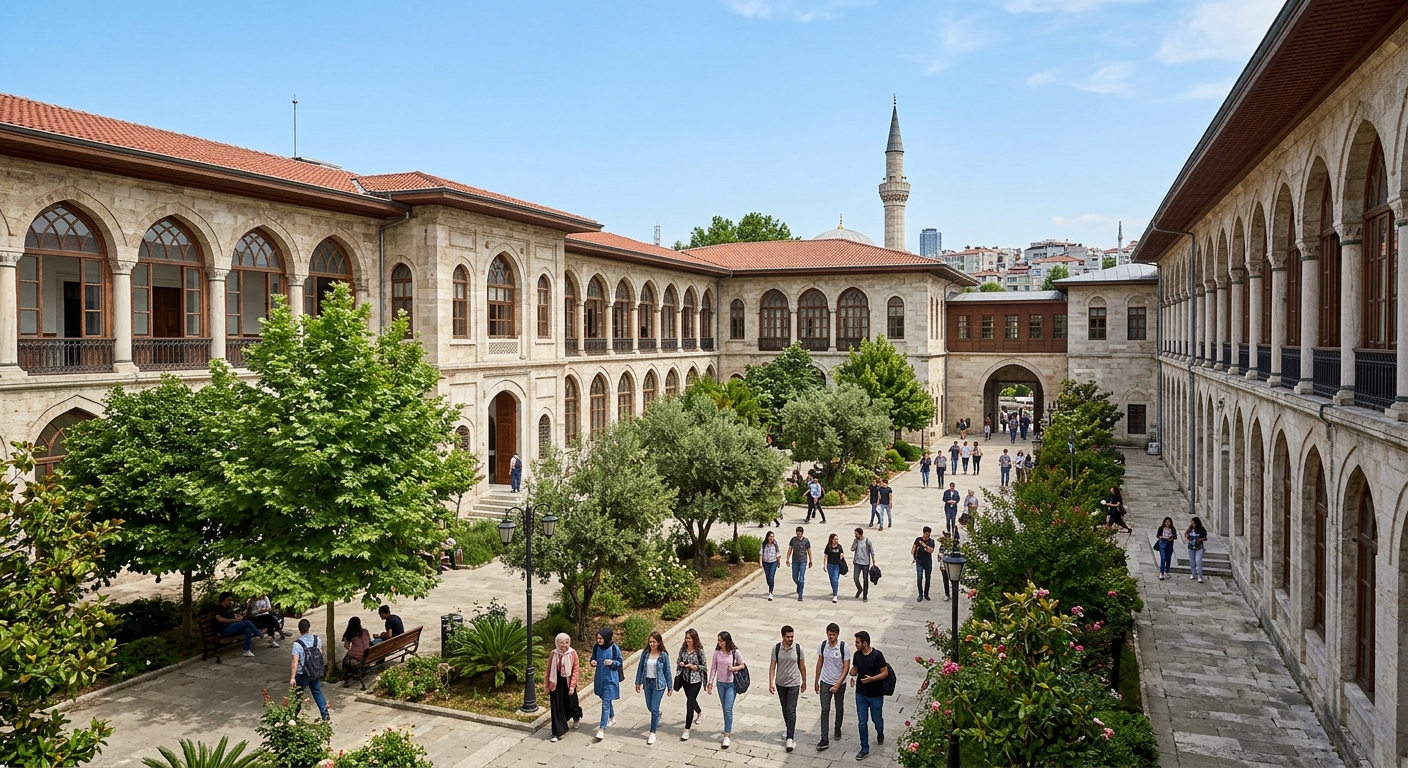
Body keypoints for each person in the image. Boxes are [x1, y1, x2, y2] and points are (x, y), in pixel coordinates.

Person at [850, 630, 889, 760]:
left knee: (876, 720)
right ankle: (864, 748)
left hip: (875, 695)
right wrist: (852, 673)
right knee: (862, 722)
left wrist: (872, 679)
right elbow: (855, 668)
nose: (856, 644)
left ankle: (880, 732)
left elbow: (885, 673)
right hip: (861, 694)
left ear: (865, 643)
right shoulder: (857, 655)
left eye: (858, 642)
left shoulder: (877, 655)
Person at [769, 625, 808, 752]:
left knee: (791, 709)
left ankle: (790, 737)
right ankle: (788, 728)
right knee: (785, 709)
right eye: (788, 637)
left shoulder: (798, 648)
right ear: (783, 636)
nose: (790, 639)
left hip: (794, 683)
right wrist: (771, 682)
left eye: (792, 636)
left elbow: (802, 666)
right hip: (781, 683)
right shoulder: (776, 648)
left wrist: (804, 681)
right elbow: (772, 666)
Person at [814, 622, 851, 752]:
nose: (831, 637)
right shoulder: (823, 645)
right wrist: (816, 680)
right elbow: (820, 662)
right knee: (825, 710)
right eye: (829, 634)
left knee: (839, 706)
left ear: (838, 634)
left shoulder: (843, 647)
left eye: (833, 635)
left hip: (839, 682)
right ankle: (824, 738)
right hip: (825, 681)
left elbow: (846, 667)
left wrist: (838, 683)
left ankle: (837, 727)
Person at [707, 631, 746, 749]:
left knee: (728, 708)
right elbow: (714, 667)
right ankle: (726, 727)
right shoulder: (717, 653)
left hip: (731, 684)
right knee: (724, 708)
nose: (720, 643)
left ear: (727, 641)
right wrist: (710, 682)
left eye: (722, 641)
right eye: (718, 640)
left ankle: (727, 735)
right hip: (720, 684)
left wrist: (734, 668)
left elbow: (743, 664)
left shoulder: (735, 652)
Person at [634, 631, 674, 745]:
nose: (652, 644)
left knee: (654, 707)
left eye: (654, 642)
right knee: (650, 707)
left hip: (659, 684)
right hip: (647, 683)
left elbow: (667, 671)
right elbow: (640, 668)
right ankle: (657, 714)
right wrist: (638, 682)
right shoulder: (645, 653)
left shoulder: (663, 655)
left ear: (659, 642)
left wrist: (670, 686)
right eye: (650, 642)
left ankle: (652, 732)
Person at [289, 618, 330, 722]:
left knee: (298, 695)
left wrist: (293, 677)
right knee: (317, 692)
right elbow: (320, 653)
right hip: (315, 672)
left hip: (303, 674)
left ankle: (293, 716)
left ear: (299, 630)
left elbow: (295, 661)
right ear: (308, 628)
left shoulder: (297, 644)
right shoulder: (317, 639)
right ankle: (325, 714)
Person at [547, 632, 583, 741]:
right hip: (556, 681)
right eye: (562, 643)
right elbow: (548, 670)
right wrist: (547, 685)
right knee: (557, 706)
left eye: (567, 643)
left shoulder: (572, 653)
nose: (565, 645)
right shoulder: (553, 654)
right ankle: (557, 732)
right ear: (557, 643)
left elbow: (576, 670)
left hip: (568, 680)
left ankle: (576, 717)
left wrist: (572, 686)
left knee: (572, 704)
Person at [589, 627, 623, 740]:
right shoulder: (596, 647)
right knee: (605, 699)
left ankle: (601, 728)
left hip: (610, 679)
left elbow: (619, 661)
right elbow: (593, 658)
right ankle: (612, 717)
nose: (599, 640)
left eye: (601, 638)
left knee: (605, 703)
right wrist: (592, 662)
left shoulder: (614, 648)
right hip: (600, 678)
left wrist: (612, 662)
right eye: (598, 638)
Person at [676, 628, 707, 741]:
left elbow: (704, 667)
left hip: (695, 681)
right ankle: (699, 712)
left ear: (694, 639)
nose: (687, 640)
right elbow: (678, 660)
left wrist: (695, 667)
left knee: (689, 702)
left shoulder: (699, 651)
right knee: (691, 700)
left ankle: (686, 729)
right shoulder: (683, 648)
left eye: (689, 638)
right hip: (685, 679)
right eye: (686, 638)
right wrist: (682, 664)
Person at [213, 591, 260, 657]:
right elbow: (220, 619)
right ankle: (258, 633)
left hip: (232, 626)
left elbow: (232, 616)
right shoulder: (218, 609)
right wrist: (234, 620)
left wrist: (238, 617)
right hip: (225, 629)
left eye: (230, 600)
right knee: (247, 622)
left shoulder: (229, 608)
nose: (229, 602)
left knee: (247, 630)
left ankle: (246, 650)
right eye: (228, 600)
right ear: (223, 600)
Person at [850, 528, 876, 601]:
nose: (855, 535)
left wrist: (873, 561)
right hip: (857, 562)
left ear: (860, 534)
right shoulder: (855, 541)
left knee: (865, 579)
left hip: (865, 563)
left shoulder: (867, 541)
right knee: (855, 578)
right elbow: (852, 549)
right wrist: (855, 544)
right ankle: (859, 589)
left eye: (856, 534)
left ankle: (865, 595)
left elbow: (872, 551)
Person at [787, 526, 812, 601]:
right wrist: (787, 559)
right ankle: (799, 586)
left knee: (801, 578)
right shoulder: (793, 540)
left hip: (803, 561)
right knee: (794, 577)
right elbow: (790, 549)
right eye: (797, 533)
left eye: (800, 534)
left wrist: (811, 560)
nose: (798, 535)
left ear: (802, 533)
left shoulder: (806, 541)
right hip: (795, 561)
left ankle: (800, 594)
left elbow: (809, 550)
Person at [912, 526, 936, 602]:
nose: (927, 536)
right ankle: (920, 594)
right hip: (919, 561)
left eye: (928, 534)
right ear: (923, 533)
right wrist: (914, 556)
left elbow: (931, 551)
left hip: (928, 562)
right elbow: (913, 550)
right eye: (926, 534)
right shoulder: (918, 540)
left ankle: (926, 593)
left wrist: (925, 546)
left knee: (928, 578)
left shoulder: (931, 541)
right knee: (919, 578)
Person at [823, 533, 846, 603]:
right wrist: (824, 565)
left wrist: (842, 556)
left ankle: (835, 595)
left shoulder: (839, 547)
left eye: (837, 539)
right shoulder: (828, 547)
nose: (836, 540)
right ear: (831, 539)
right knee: (832, 579)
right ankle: (834, 590)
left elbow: (842, 553)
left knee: (835, 579)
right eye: (835, 539)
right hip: (830, 565)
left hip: (837, 565)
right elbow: (826, 556)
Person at [1186, 516, 1208, 583]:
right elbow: (1186, 533)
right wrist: (1187, 537)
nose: (1193, 524)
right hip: (1191, 547)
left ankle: (1200, 576)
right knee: (1192, 561)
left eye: (1194, 523)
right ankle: (1193, 573)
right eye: (1192, 523)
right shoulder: (1190, 528)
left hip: (1199, 547)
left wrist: (1200, 539)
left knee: (1198, 561)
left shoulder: (1201, 529)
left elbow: (1205, 538)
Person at [761, 531, 781, 601]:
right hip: (766, 563)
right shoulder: (764, 544)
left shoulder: (775, 544)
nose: (771, 538)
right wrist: (760, 562)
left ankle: (770, 592)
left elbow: (778, 553)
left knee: (771, 577)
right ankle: (770, 586)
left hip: (773, 562)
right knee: (767, 578)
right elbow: (761, 553)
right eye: (770, 536)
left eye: (772, 537)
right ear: (767, 537)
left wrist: (778, 562)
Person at [938, 530, 955, 601]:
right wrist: (941, 565)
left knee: (952, 580)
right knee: (945, 581)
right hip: (943, 566)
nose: (945, 536)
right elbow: (940, 556)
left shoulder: (952, 545)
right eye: (944, 535)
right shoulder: (942, 546)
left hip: (951, 566)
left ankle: (954, 593)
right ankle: (947, 594)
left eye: (947, 535)